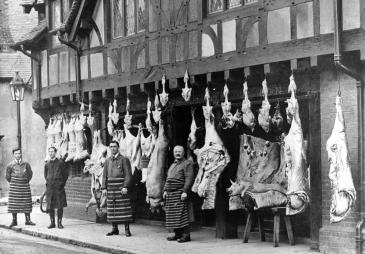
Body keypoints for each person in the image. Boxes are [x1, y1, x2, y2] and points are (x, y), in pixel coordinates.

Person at [163, 145, 194, 243]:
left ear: (183, 153)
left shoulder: (187, 163)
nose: (177, 153)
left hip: (180, 193)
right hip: (170, 194)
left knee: (182, 215)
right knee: (173, 215)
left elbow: (189, 178)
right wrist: (165, 190)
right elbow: (168, 179)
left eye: (179, 151)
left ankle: (186, 235)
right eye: (176, 151)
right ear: (173, 153)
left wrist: (185, 191)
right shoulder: (173, 165)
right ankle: (177, 234)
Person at [101, 140, 133, 237]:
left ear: (118, 147)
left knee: (124, 209)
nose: (113, 148)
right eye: (111, 146)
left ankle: (127, 230)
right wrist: (104, 188)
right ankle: (114, 229)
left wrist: (125, 186)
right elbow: (104, 175)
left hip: (121, 187)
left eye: (114, 146)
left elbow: (128, 175)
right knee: (112, 209)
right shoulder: (107, 160)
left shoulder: (124, 159)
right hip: (111, 188)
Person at [6, 148, 35, 227]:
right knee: (14, 204)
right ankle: (14, 220)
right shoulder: (10, 165)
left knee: (27, 203)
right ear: (13, 155)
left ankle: (28, 220)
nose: (18, 155)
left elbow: (30, 174)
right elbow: (8, 177)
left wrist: (24, 181)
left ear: (21, 154)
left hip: (24, 187)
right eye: (16, 154)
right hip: (14, 188)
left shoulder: (26, 164)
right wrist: (15, 182)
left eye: (19, 153)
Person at [44, 147, 69, 229]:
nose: (51, 153)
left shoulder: (60, 163)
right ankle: (52, 222)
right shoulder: (47, 164)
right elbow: (45, 175)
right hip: (50, 188)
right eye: (49, 152)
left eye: (52, 151)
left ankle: (59, 223)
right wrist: (49, 182)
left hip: (59, 188)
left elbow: (65, 174)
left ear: (55, 152)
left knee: (59, 205)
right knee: (50, 205)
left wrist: (61, 184)